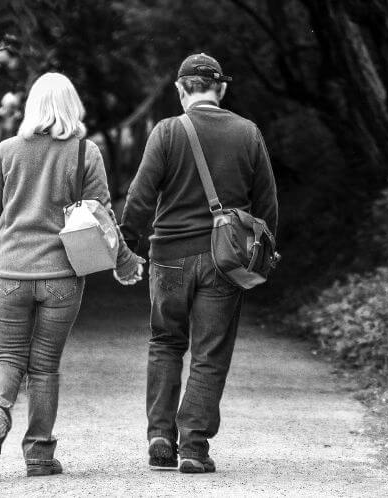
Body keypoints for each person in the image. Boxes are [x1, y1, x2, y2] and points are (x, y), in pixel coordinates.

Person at [0, 72, 144, 477]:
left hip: (8, 276)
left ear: (32, 107)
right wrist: (125, 262)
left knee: (7, 357)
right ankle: (39, 454)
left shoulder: (7, 151)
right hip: (61, 277)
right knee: (44, 366)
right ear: (72, 106)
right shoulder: (84, 152)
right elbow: (103, 218)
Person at [121, 53, 278, 473]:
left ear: (180, 89)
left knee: (166, 342)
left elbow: (139, 197)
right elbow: (267, 205)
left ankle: (159, 435)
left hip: (168, 257)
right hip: (224, 261)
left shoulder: (167, 132)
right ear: (221, 89)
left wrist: (127, 245)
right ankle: (192, 447)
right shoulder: (248, 132)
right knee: (210, 353)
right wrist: (262, 257)